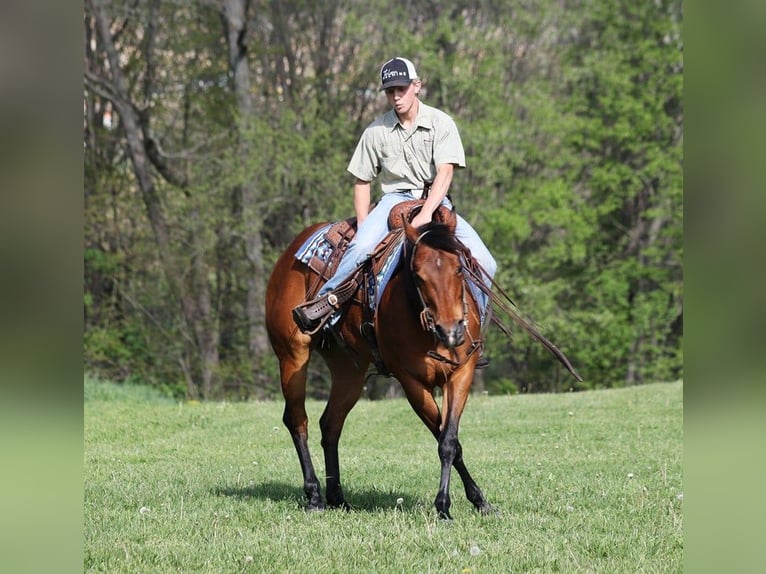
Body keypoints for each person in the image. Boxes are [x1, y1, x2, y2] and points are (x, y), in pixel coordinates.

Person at [293, 57, 497, 364]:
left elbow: (445, 173)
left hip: (435, 201)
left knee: (486, 261)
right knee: (361, 246)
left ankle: (471, 336)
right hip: (392, 201)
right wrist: (363, 222)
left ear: (417, 86)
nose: (396, 96)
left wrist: (427, 213)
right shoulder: (376, 131)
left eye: (401, 88)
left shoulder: (441, 123)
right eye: (390, 91)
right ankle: (328, 302)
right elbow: (362, 181)